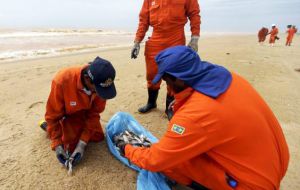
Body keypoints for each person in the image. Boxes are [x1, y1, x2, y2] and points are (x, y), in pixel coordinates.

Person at [118, 46, 289, 189]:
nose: (167, 89)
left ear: (177, 79)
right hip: (276, 166)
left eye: (166, 81)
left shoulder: (196, 114)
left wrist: (127, 149)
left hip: (253, 185)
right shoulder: (232, 79)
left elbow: (155, 161)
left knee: (173, 163)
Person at [41, 57, 117, 167]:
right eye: (97, 90)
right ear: (87, 79)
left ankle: (61, 131)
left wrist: (82, 144)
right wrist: (57, 145)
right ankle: (46, 126)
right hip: (66, 114)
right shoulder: (61, 81)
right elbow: (52, 116)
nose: (100, 94)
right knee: (68, 143)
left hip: (84, 113)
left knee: (98, 136)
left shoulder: (101, 84)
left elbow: (94, 114)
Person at [131, 0, 201, 117]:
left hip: (176, 39)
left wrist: (195, 38)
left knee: (173, 75)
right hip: (155, 39)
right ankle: (151, 102)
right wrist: (137, 41)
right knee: (152, 74)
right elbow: (143, 20)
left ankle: (170, 107)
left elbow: (194, 14)